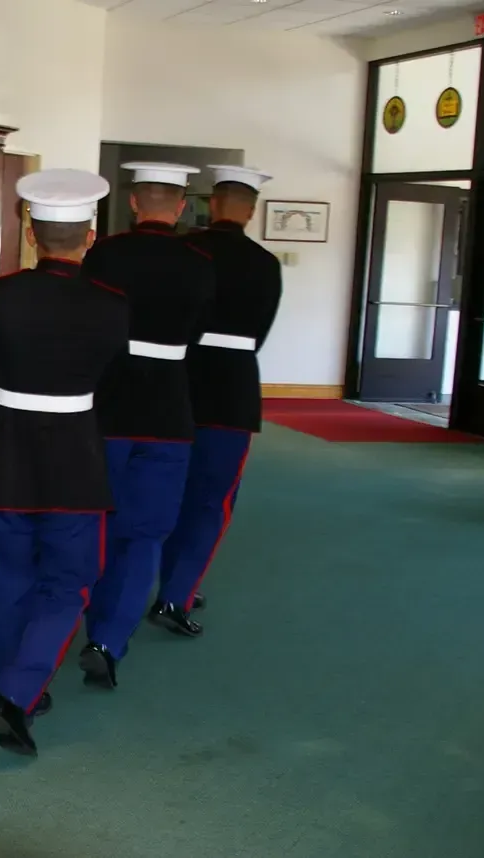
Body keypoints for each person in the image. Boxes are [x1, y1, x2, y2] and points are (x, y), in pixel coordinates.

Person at [0, 168, 127, 755]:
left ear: (31, 229)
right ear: (90, 234)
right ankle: (15, 695)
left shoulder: (0, 294)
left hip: (9, 452)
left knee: (12, 579)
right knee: (70, 582)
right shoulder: (113, 306)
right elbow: (117, 389)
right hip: (75, 456)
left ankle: (18, 686)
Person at [79, 162, 215, 691]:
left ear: (134, 202)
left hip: (108, 405)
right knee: (146, 534)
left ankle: (77, 620)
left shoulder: (105, 254)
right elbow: (198, 336)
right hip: (167, 411)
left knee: (95, 521)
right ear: (180, 206)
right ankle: (108, 641)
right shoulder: (200, 263)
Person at [150, 166, 282, 635]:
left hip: (176, 381)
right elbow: (260, 333)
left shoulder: (186, 251)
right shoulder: (265, 264)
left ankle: (171, 581)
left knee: (170, 490)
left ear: (211, 204)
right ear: (250, 210)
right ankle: (176, 594)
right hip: (231, 388)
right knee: (212, 499)